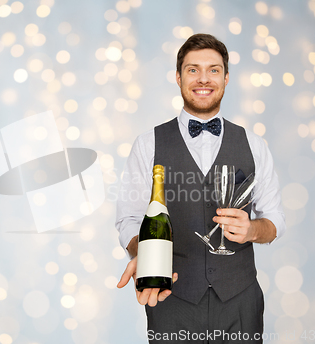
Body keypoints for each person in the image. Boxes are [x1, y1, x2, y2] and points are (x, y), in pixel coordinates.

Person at [116, 33, 285, 343]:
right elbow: (128, 219)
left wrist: (252, 230)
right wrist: (145, 255)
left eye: (214, 69)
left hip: (240, 301)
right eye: (193, 69)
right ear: (178, 77)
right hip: (172, 300)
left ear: (226, 77)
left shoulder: (254, 145)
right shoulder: (148, 144)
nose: (203, 79)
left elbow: (274, 220)